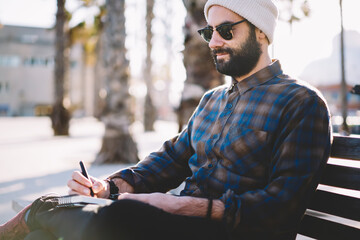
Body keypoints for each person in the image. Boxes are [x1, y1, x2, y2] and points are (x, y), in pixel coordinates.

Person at [0, 0, 332, 239]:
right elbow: (169, 160)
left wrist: (177, 206)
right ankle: (42, 214)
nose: (214, 41)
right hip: (173, 225)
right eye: (209, 32)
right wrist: (107, 186)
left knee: (118, 214)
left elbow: (280, 208)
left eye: (227, 30)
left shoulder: (301, 103)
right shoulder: (212, 100)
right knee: (47, 231)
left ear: (261, 32)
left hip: (230, 232)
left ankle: (39, 213)